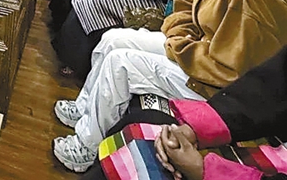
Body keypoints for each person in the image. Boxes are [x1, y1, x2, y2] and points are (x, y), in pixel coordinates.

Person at [51, 0, 287, 174]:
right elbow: (182, 7)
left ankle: (86, 147)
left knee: (121, 63)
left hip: (217, 82)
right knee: (113, 39)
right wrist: (180, 39)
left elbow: (234, 69)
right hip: (194, 50)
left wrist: (179, 45)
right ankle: (85, 108)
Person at [82, 44, 287, 180]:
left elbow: (228, 64)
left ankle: (84, 146)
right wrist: (195, 129)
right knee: (145, 133)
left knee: (119, 58)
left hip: (205, 68)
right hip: (191, 50)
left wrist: (204, 171)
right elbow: (273, 85)